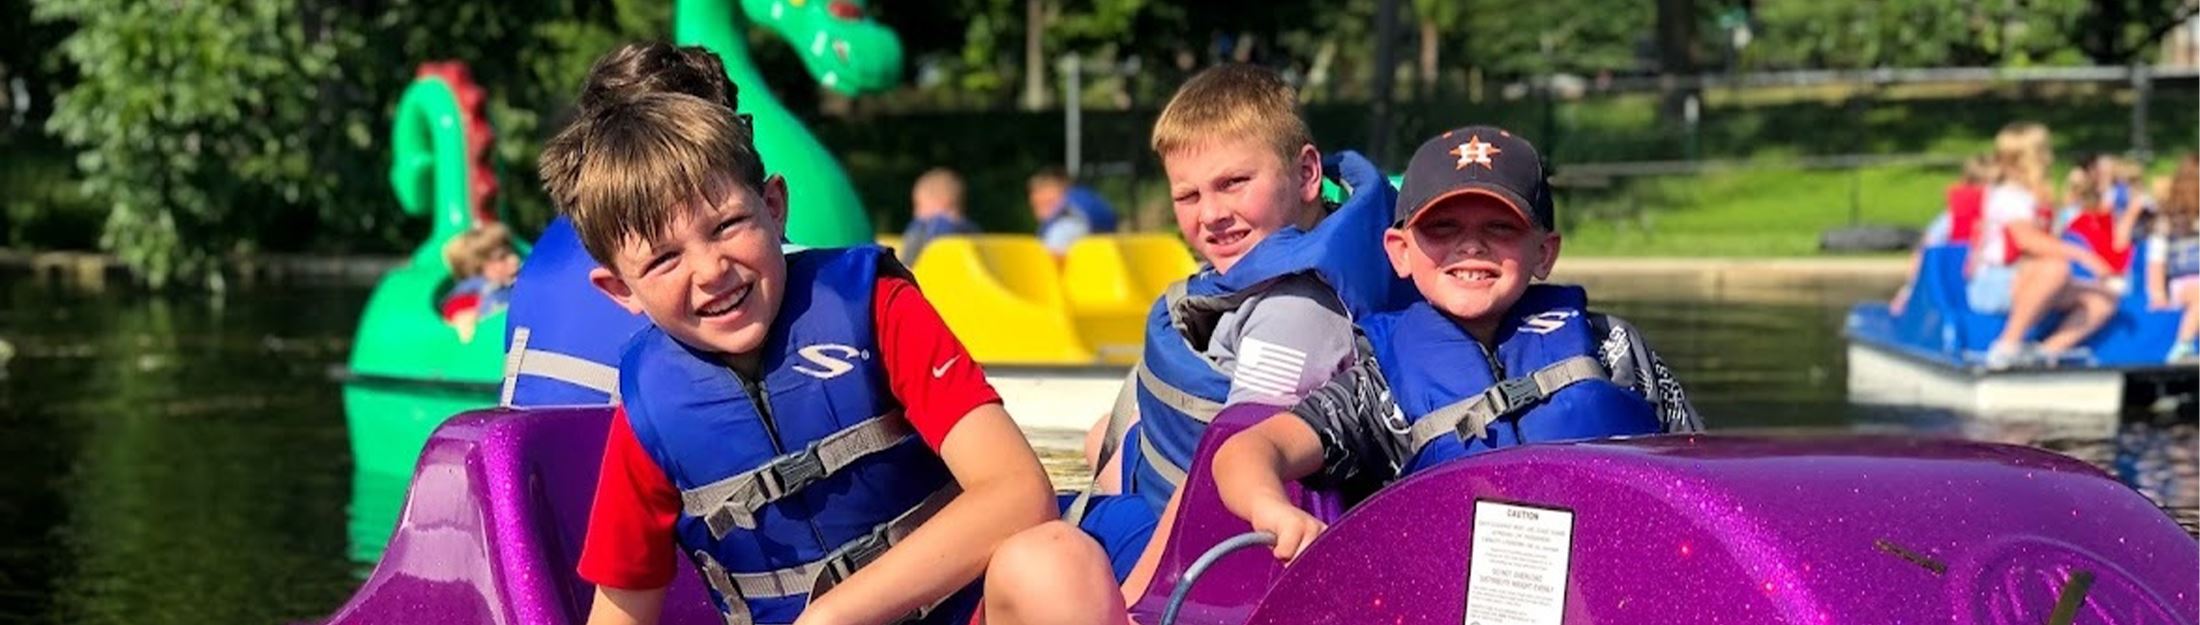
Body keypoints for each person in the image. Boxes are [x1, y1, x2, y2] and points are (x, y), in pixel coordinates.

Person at [539, 43, 1123, 625]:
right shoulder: (650, 412)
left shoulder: (875, 307)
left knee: (1055, 560)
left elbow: (1019, 492)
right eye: (665, 260)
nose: (711, 270)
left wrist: (829, 617)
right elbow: (620, 614)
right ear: (621, 291)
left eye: (728, 226)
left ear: (773, 206)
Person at [1209, 127, 1702, 562]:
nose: (1471, 247)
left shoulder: (1613, 349)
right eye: (1442, 228)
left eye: (1500, 227)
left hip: (1617, 585)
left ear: (1544, 253)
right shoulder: (1378, 390)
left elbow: (1704, 469)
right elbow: (1250, 451)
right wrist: (1272, 510)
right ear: (1400, 252)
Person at [1061, 63, 1414, 594]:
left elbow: (1229, 451)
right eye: (1189, 196)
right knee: (1097, 438)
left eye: (1233, 183)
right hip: (1165, 494)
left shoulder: (1295, 310)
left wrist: (1139, 594)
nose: (1212, 215)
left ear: (1306, 175)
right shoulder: (1258, 262)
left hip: (1198, 549)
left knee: (1029, 549)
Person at [1967, 123, 2120, 369]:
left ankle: (2047, 352)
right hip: (1995, 283)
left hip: (2027, 279)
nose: (2050, 157)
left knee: (2103, 300)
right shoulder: (2009, 196)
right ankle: (2007, 345)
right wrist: (2085, 256)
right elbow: (2027, 240)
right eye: (2045, 152)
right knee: (2055, 268)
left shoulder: (2034, 198)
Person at [1890, 154, 1994, 315]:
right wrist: (1911, 285)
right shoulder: (1950, 218)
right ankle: (1906, 299)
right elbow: (1925, 249)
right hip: (1952, 279)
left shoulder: (2004, 216)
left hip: (1982, 280)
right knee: (1908, 297)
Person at [2145, 155, 2200, 362]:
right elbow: (2156, 262)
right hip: (2182, 283)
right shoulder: (2168, 223)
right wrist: (2157, 294)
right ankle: (2183, 345)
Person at [441, 222, 521, 343]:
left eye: (513, 252)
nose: (514, 259)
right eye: (501, 258)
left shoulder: (520, 280)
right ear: (478, 269)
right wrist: (465, 318)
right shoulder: (475, 289)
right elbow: (455, 309)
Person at [1028, 169, 1120, 256]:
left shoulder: (1064, 227)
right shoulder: (1079, 219)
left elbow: (1049, 261)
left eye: (1039, 196)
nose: (1033, 200)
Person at [902, 167, 978, 263]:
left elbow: (911, 258)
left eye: (919, 205)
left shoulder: (934, 226)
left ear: (942, 201)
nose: (915, 213)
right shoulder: (972, 228)